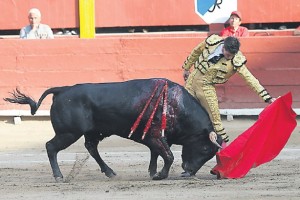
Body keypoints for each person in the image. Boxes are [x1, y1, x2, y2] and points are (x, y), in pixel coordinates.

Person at [182, 34, 276, 145]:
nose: (229, 57)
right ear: (223, 47)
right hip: (191, 81)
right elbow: (196, 51)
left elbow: (250, 79)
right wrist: (186, 68)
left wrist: (267, 98)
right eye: (228, 54)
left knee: (216, 121)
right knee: (182, 113)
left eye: (232, 55)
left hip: (205, 87)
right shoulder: (212, 43)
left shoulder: (236, 60)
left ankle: (224, 149)